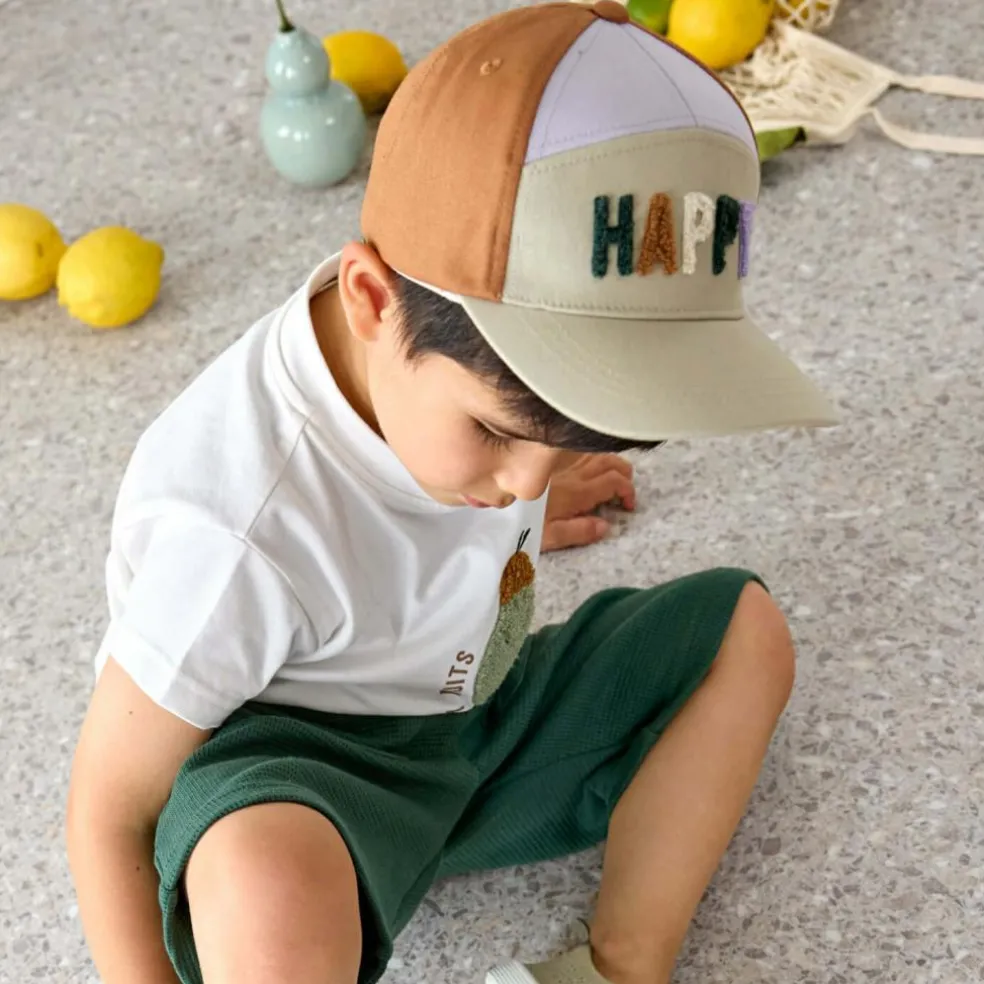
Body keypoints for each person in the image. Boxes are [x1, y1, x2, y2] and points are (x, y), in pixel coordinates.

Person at [66, 4, 839, 984]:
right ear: (371, 299)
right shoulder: (234, 533)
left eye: (577, 438)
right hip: (303, 771)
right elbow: (106, 813)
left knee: (743, 632)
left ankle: (618, 965)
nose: (522, 485)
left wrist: (530, 484)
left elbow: (510, 453)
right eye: (500, 434)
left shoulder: (470, 418)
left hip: (474, 711)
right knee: (262, 884)